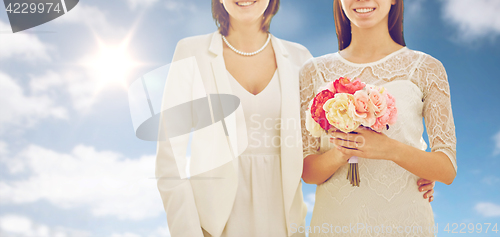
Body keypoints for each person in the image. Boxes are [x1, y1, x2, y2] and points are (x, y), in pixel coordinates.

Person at [156, 0, 437, 236]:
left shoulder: (301, 59)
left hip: (285, 218)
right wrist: (187, 230)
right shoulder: (190, 52)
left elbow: (338, 132)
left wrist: (415, 164)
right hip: (212, 222)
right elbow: (169, 158)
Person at [300, 0, 456, 236]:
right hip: (334, 224)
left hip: (405, 222)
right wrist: (342, 152)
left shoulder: (427, 68)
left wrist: (389, 149)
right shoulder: (313, 71)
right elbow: (306, 171)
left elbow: (447, 169)